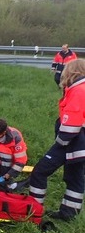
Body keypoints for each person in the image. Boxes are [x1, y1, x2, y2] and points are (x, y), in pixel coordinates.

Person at [29, 59, 85, 221]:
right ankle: (69, 214)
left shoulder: (78, 91)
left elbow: (71, 124)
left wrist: (60, 143)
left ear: (72, 71)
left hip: (72, 142)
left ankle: (33, 210)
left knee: (39, 172)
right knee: (75, 178)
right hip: (79, 143)